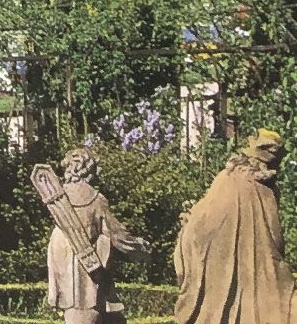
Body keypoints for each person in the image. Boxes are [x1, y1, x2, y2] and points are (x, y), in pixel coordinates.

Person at [175, 130, 297, 324]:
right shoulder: (267, 189)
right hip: (261, 276)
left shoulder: (225, 178)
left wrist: (188, 230)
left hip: (220, 273)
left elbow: (199, 223)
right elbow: (276, 239)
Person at [39, 147, 146, 324]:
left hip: (65, 266)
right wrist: (138, 247)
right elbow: (117, 236)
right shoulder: (96, 200)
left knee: (99, 316)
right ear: (88, 170)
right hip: (88, 271)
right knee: (87, 314)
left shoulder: (58, 198)